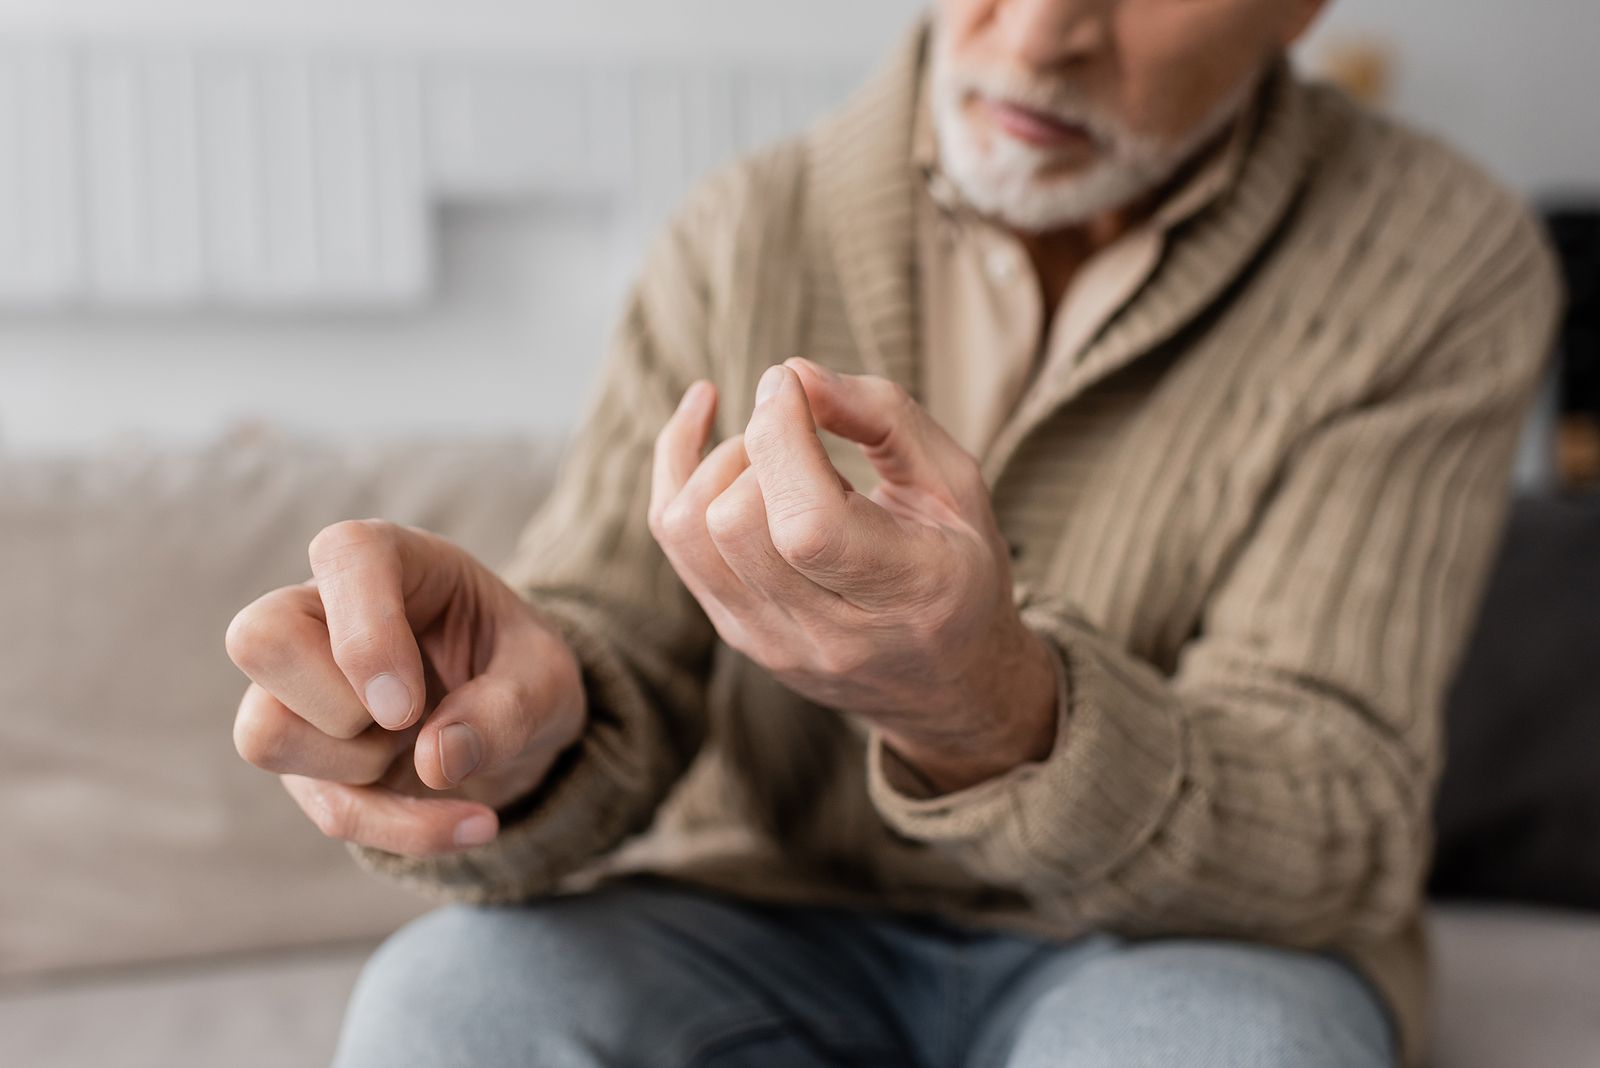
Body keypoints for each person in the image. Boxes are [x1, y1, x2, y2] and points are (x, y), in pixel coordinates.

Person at [223, 1, 1563, 1065]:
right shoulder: (745, 227)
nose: (1042, 31)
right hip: (767, 913)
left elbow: (1338, 811)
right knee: (449, 1011)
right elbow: (613, 641)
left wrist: (994, 709)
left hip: (1191, 942)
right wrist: (504, 719)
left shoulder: (1436, 261)